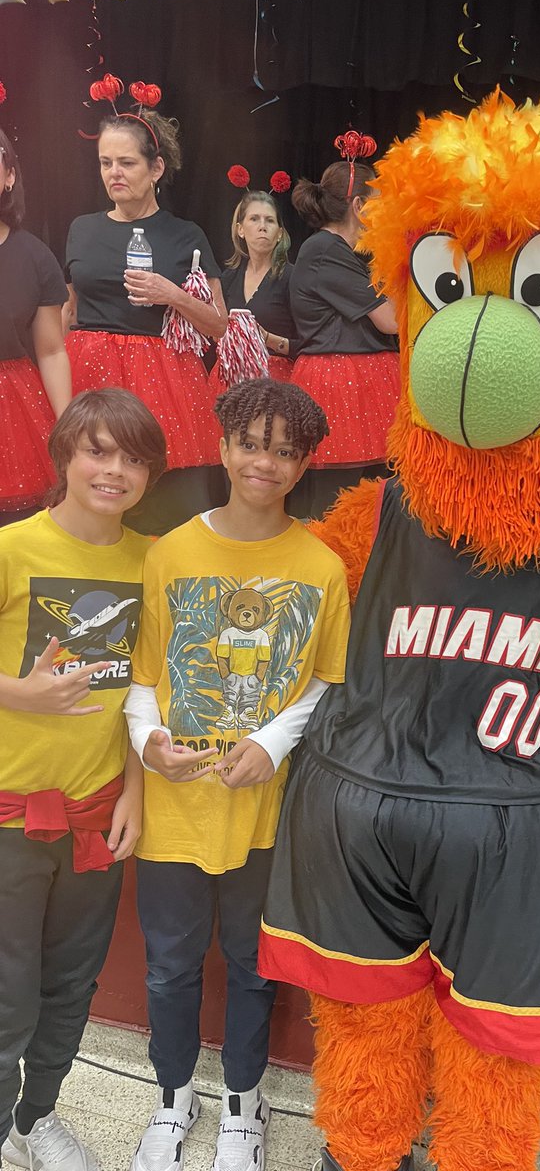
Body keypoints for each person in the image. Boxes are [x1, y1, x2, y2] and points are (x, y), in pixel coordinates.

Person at [123, 378, 350, 1171]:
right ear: (222, 446)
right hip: (173, 808)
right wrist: (148, 739)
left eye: (285, 451)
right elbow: (144, 672)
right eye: (252, 444)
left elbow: (327, 680)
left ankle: (244, 1111)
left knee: (256, 970)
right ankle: (171, 1098)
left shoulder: (321, 566)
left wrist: (276, 742)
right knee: (169, 967)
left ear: (303, 465)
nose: (265, 462)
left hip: (264, 814)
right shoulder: (170, 552)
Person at [0, 388, 166, 1171]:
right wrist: (18, 693)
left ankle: (36, 1121)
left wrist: (134, 790)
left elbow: (143, 692)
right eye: (99, 450)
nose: (115, 470)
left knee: (70, 990)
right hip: (7, 818)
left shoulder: (151, 560)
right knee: (6, 1000)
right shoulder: (12, 549)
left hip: (98, 817)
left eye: (134, 458)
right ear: (64, 453)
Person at [65, 104, 228, 535]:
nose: (113, 173)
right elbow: (68, 309)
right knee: (91, 498)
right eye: (105, 162)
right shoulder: (81, 228)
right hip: (90, 373)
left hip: (162, 381)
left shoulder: (185, 234)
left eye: (126, 162)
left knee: (166, 505)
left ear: (156, 168)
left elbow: (219, 324)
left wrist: (171, 294)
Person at [288, 155, 400, 517]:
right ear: (358, 205)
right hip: (342, 386)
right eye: (380, 203)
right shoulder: (324, 250)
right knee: (339, 506)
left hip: (361, 384)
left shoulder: (346, 252)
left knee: (370, 502)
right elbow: (392, 320)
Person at [0, 125, 71, 524]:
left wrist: (67, 428)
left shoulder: (35, 257)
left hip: (12, 407)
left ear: (9, 176)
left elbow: (51, 350)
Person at [209, 190, 299, 393]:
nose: (262, 227)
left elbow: (309, 344)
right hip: (229, 381)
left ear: (280, 233)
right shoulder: (227, 278)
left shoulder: (293, 278)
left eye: (270, 221)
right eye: (254, 219)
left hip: (277, 384)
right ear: (240, 230)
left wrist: (267, 339)